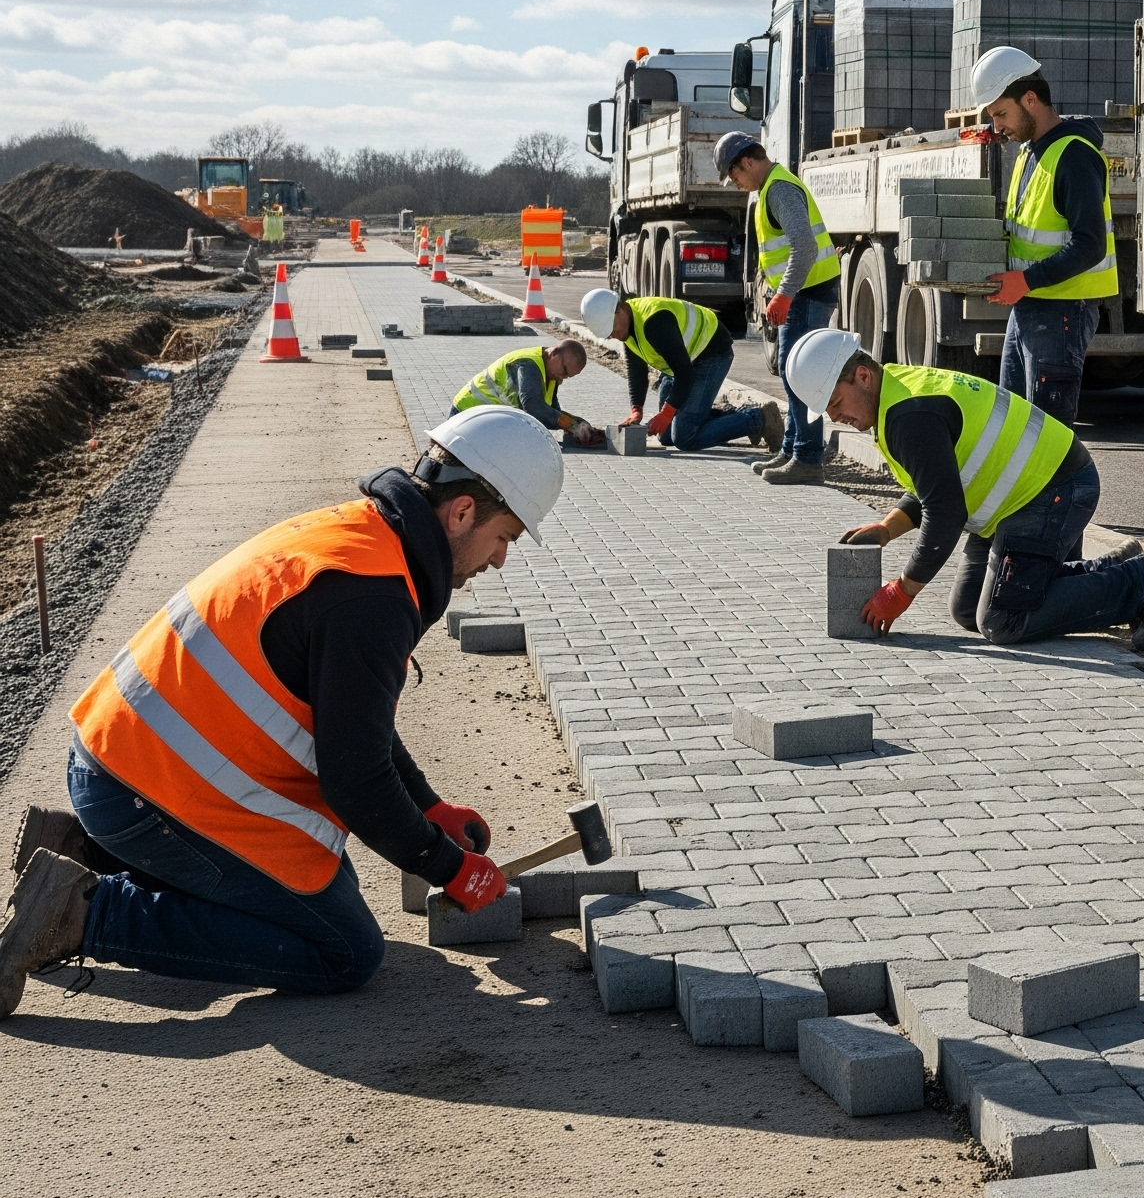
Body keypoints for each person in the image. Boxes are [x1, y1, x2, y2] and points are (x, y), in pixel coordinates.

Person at [0, 407, 565, 1015]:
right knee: (343, 950)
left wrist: (429, 808)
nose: (501, 558)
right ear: (462, 513)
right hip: (144, 793)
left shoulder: (365, 537)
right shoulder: (371, 600)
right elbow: (356, 781)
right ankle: (83, 914)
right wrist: (446, 865)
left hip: (119, 759)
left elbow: (351, 722)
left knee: (322, 887)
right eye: (503, 536)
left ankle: (84, 850)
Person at [783, 327, 1144, 651]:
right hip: (1024, 498)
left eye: (835, 403)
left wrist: (901, 591)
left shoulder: (909, 416)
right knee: (969, 608)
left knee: (1003, 620)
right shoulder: (894, 398)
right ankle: (1113, 566)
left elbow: (946, 513)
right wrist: (888, 527)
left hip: (1056, 489)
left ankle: (1142, 581)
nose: (835, 417)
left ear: (862, 376)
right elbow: (935, 484)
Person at [965, 47, 1115, 429]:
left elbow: (1090, 244)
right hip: (1032, 306)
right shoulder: (1031, 152)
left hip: (1063, 311)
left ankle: (1057, 492)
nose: (997, 127)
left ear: (1030, 100)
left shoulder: (1074, 157)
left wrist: (1026, 280)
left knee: (1045, 434)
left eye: (1001, 114)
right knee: (1012, 425)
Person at [715, 131, 841, 488]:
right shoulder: (769, 188)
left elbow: (804, 248)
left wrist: (783, 294)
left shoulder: (779, 189)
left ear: (748, 162)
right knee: (791, 371)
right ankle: (791, 448)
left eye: (735, 174)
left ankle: (806, 457)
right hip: (805, 290)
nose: (736, 183)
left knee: (801, 374)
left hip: (808, 292)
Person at [578, 288, 782, 457]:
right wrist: (636, 410)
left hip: (711, 355)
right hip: (683, 365)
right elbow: (637, 369)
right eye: (607, 333)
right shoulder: (627, 328)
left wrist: (667, 413)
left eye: (611, 328)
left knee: (685, 437)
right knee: (666, 435)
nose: (612, 335)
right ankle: (726, 419)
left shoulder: (653, 322)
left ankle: (759, 419)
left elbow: (686, 374)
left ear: (619, 310)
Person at [450, 338, 604, 448]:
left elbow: (551, 413)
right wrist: (572, 425)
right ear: (554, 352)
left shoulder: (550, 375)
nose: (563, 377)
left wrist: (578, 423)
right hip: (467, 413)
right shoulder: (528, 365)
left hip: (485, 420)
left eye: (568, 376)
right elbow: (533, 406)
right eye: (564, 370)